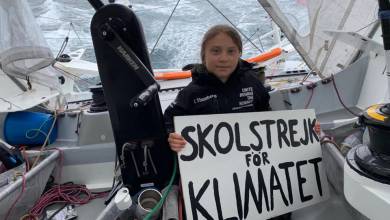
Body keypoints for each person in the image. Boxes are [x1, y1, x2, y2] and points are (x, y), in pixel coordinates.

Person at [164, 24, 271, 152]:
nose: (223, 59)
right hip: (211, 167)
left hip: (249, 159)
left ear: (239, 54)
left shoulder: (252, 82)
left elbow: (266, 112)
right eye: (215, 51)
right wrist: (172, 137)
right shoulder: (190, 93)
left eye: (231, 51)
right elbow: (169, 121)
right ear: (204, 55)